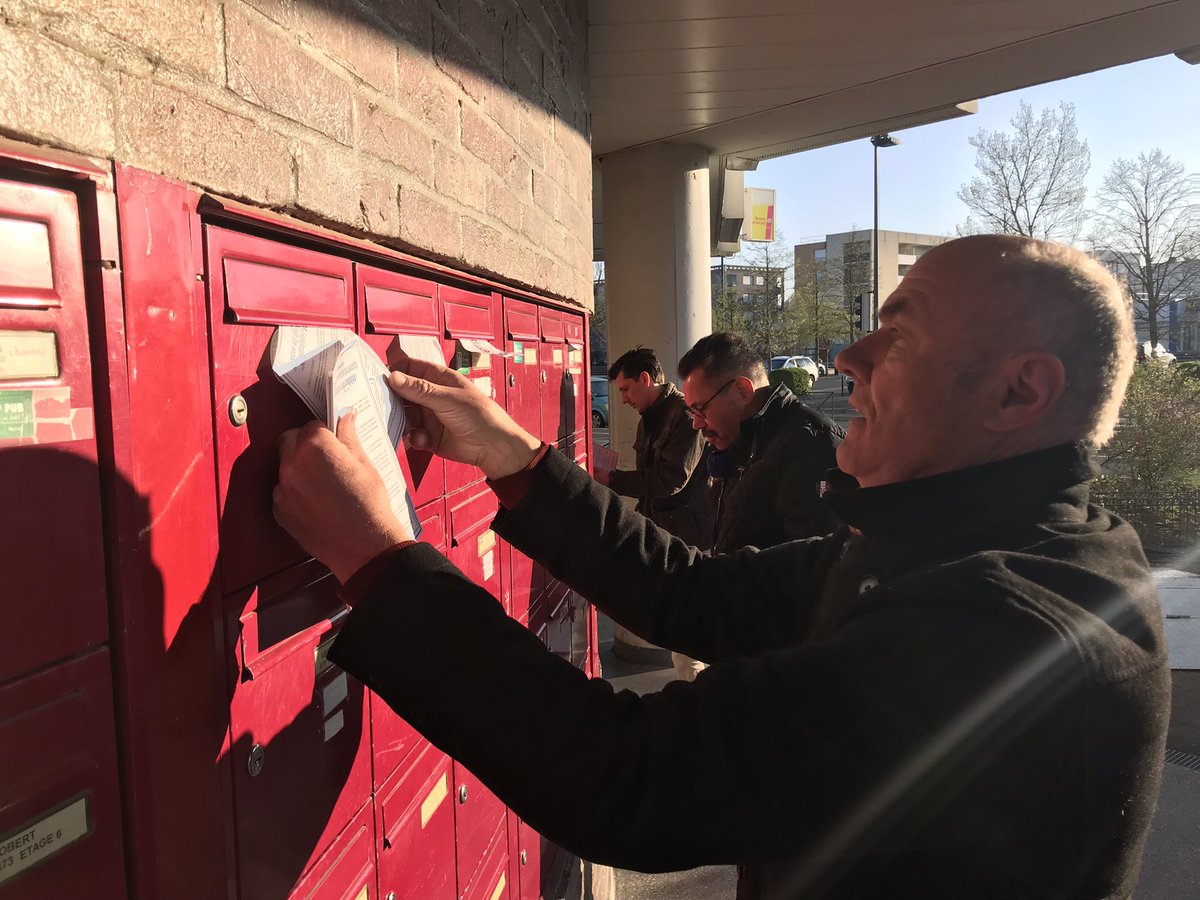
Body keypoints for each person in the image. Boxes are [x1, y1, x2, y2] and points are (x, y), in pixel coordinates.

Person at [274, 234, 1169, 899]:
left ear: (1020, 391)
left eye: (896, 338)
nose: (846, 360)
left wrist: (381, 563)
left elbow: (632, 781)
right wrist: (516, 459)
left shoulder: (1012, 631)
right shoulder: (938, 543)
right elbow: (694, 593)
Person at [599, 346, 713, 681]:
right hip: (664, 532)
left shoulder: (683, 416)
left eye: (626, 389)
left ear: (645, 379)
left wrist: (612, 480)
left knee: (686, 629)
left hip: (687, 537)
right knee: (682, 628)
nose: (623, 399)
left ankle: (699, 694)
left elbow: (670, 480)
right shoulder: (650, 417)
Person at [678, 332, 843, 554]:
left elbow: (812, 562)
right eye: (692, 413)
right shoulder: (741, 441)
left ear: (742, 390)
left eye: (701, 410)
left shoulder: (810, 443)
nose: (696, 424)